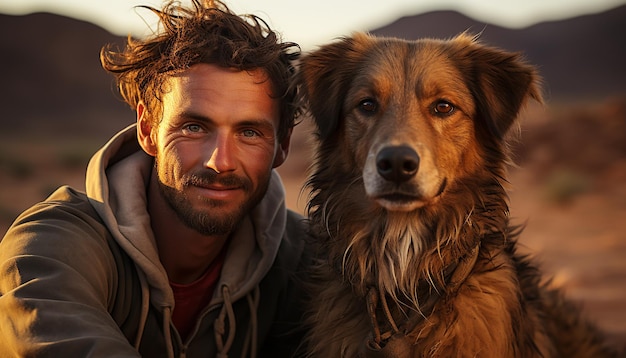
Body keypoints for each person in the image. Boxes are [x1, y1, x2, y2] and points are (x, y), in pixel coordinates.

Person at [0, 0, 310, 357]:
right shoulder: (54, 244)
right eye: (194, 127)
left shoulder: (304, 259)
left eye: (249, 133)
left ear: (282, 146)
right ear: (148, 129)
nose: (219, 161)